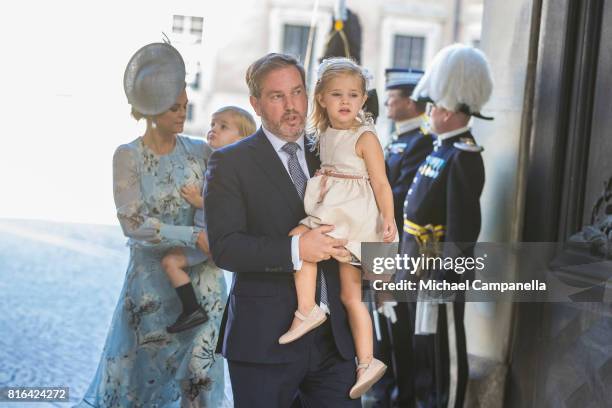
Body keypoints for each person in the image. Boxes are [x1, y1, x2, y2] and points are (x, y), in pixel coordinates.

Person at [204, 53, 361, 408]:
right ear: (256, 104)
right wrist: (297, 250)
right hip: (265, 342)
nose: (291, 106)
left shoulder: (333, 150)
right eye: (277, 97)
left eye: (297, 92)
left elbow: (365, 214)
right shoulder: (230, 163)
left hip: (336, 344)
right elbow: (226, 247)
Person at [77, 43, 227, 407]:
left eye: (185, 106)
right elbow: (133, 223)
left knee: (200, 380)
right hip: (150, 289)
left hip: (205, 285)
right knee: (140, 384)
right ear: (152, 111)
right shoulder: (127, 156)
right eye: (175, 108)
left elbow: (229, 202)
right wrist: (194, 234)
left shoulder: (202, 151)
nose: (183, 114)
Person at [275, 57, 397, 399]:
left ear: (363, 99)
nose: (346, 102)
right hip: (334, 209)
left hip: (353, 218)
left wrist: (388, 218)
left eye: (354, 95)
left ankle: (309, 310)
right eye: (337, 94)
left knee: (301, 240)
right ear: (321, 98)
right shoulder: (323, 134)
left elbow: (382, 183)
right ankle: (366, 361)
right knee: (348, 295)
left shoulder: (365, 136)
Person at [401, 43, 494, 408]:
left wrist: (447, 275)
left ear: (457, 109)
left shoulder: (463, 156)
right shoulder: (441, 149)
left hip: (439, 273)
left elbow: (462, 229)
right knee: (423, 351)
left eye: (438, 104)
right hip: (416, 268)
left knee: (445, 355)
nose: (431, 110)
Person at [161, 106, 256, 333]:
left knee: (170, 262)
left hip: (212, 237)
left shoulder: (233, 167)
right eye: (213, 124)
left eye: (223, 127)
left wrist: (197, 200)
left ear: (242, 139)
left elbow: (228, 205)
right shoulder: (217, 159)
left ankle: (193, 310)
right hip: (203, 234)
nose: (213, 129)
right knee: (169, 261)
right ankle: (192, 309)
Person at [371, 68, 434, 408]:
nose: (389, 106)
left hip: (396, 248)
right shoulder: (395, 139)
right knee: (380, 324)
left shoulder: (421, 141)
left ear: (411, 102)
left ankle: (401, 395)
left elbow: (402, 195)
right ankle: (383, 389)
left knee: (400, 327)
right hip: (378, 243)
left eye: (393, 100)